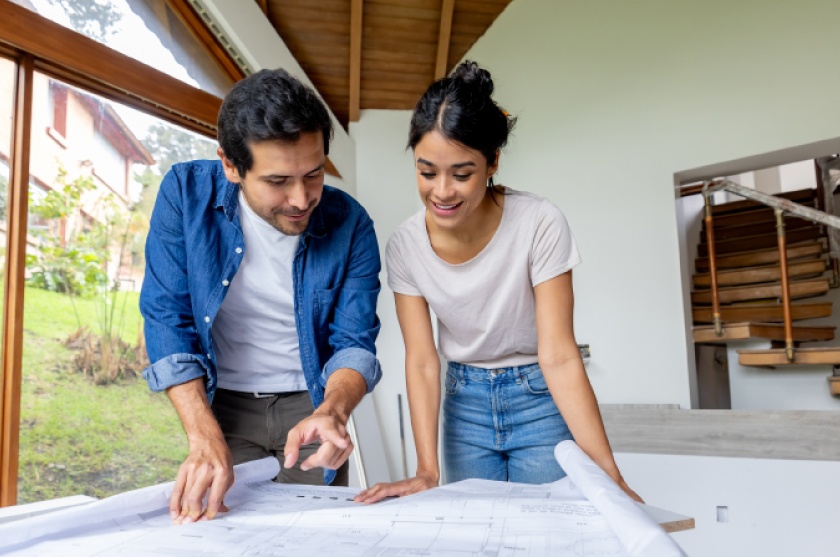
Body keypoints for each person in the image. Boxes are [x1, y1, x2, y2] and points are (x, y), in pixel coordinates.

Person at [355, 61, 640, 504]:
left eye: (462, 174)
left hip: (540, 400)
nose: (442, 192)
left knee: (549, 535)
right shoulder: (405, 246)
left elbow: (560, 355)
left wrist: (611, 475)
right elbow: (422, 361)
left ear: (492, 164)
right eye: (427, 172)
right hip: (463, 403)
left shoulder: (538, 222)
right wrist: (426, 470)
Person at [140, 68, 382, 524]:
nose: (300, 198)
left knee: (313, 537)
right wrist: (202, 434)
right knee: (220, 532)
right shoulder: (185, 195)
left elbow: (353, 339)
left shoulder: (351, 223)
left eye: (314, 174)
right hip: (224, 404)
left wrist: (333, 411)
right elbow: (166, 316)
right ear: (231, 165)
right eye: (277, 182)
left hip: (311, 404)